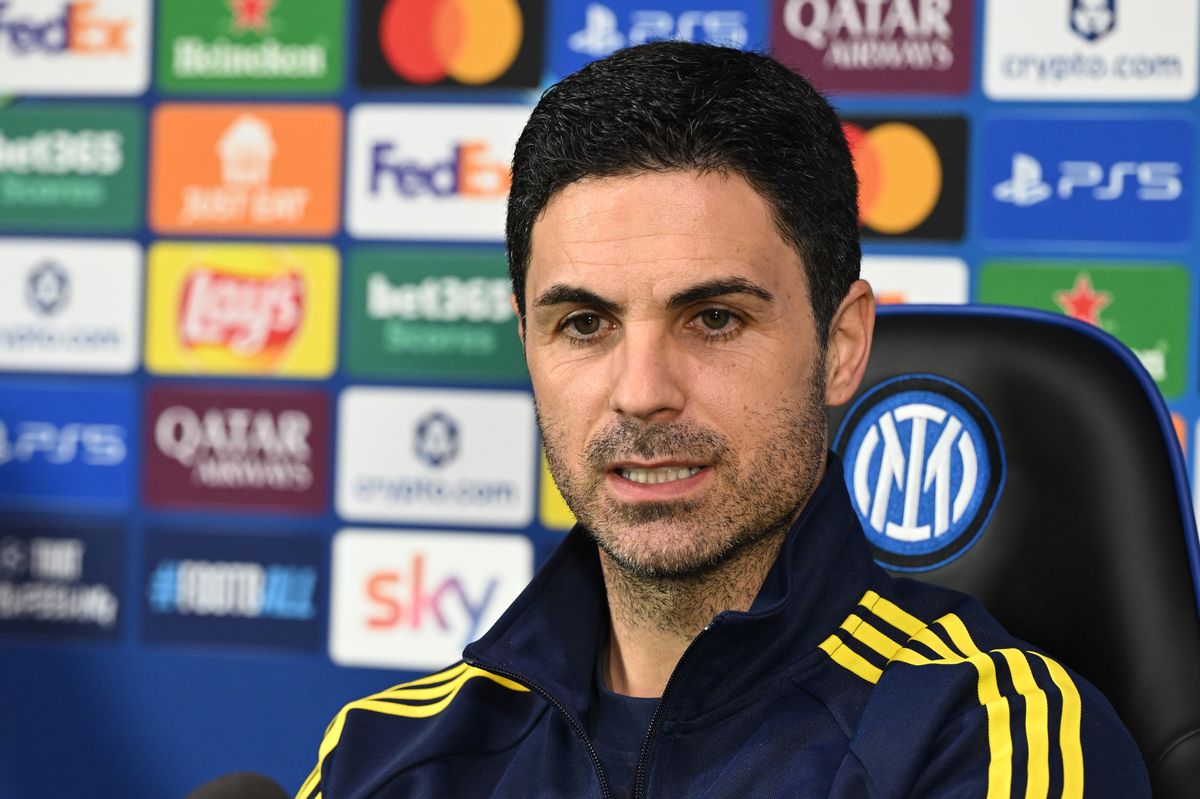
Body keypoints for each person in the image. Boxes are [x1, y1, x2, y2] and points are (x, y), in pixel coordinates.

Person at [296, 42, 1149, 798]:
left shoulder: (987, 738)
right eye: (585, 324)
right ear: (528, 343)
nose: (641, 391)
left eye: (713, 318)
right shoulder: (386, 752)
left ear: (842, 344)